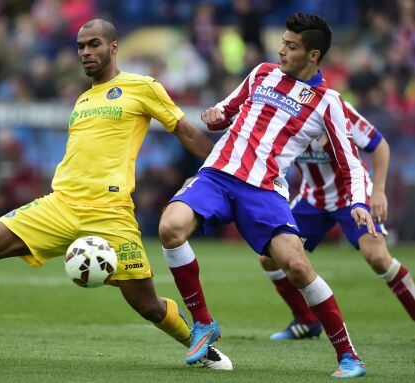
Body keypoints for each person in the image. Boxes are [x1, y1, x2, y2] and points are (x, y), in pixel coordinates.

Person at [0, 19, 232, 370]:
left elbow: (185, 130)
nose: (85, 52)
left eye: (94, 44)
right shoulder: (81, 100)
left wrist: (224, 169)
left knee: (147, 304)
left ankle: (199, 344)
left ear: (113, 47)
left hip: (110, 214)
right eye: (80, 46)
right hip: (59, 205)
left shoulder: (142, 87)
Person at [158, 13, 376, 378]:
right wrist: (214, 116)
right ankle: (203, 323)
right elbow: (224, 113)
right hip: (218, 174)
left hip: (264, 190)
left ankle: (348, 355)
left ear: (313, 55)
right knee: (170, 227)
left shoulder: (328, 102)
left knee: (296, 266)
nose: (281, 50)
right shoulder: (261, 73)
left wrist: (359, 202)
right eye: (283, 43)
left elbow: (350, 161)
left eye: (291, 46)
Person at [261, 101, 415, 340]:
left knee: (378, 258)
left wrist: (379, 191)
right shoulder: (281, 111)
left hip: (351, 198)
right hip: (312, 200)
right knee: (269, 258)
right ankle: (306, 321)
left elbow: (380, 145)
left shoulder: (333, 106)